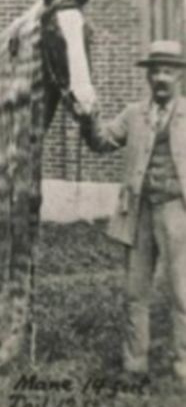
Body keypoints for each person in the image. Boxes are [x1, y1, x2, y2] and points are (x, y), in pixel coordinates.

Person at [79, 40, 186, 384]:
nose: (161, 78)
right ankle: (134, 366)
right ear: (148, 77)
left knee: (183, 292)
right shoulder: (133, 114)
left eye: (168, 71)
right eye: (155, 71)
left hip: (176, 211)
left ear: (180, 75)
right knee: (135, 293)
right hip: (137, 212)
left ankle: (183, 365)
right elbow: (101, 142)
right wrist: (87, 117)